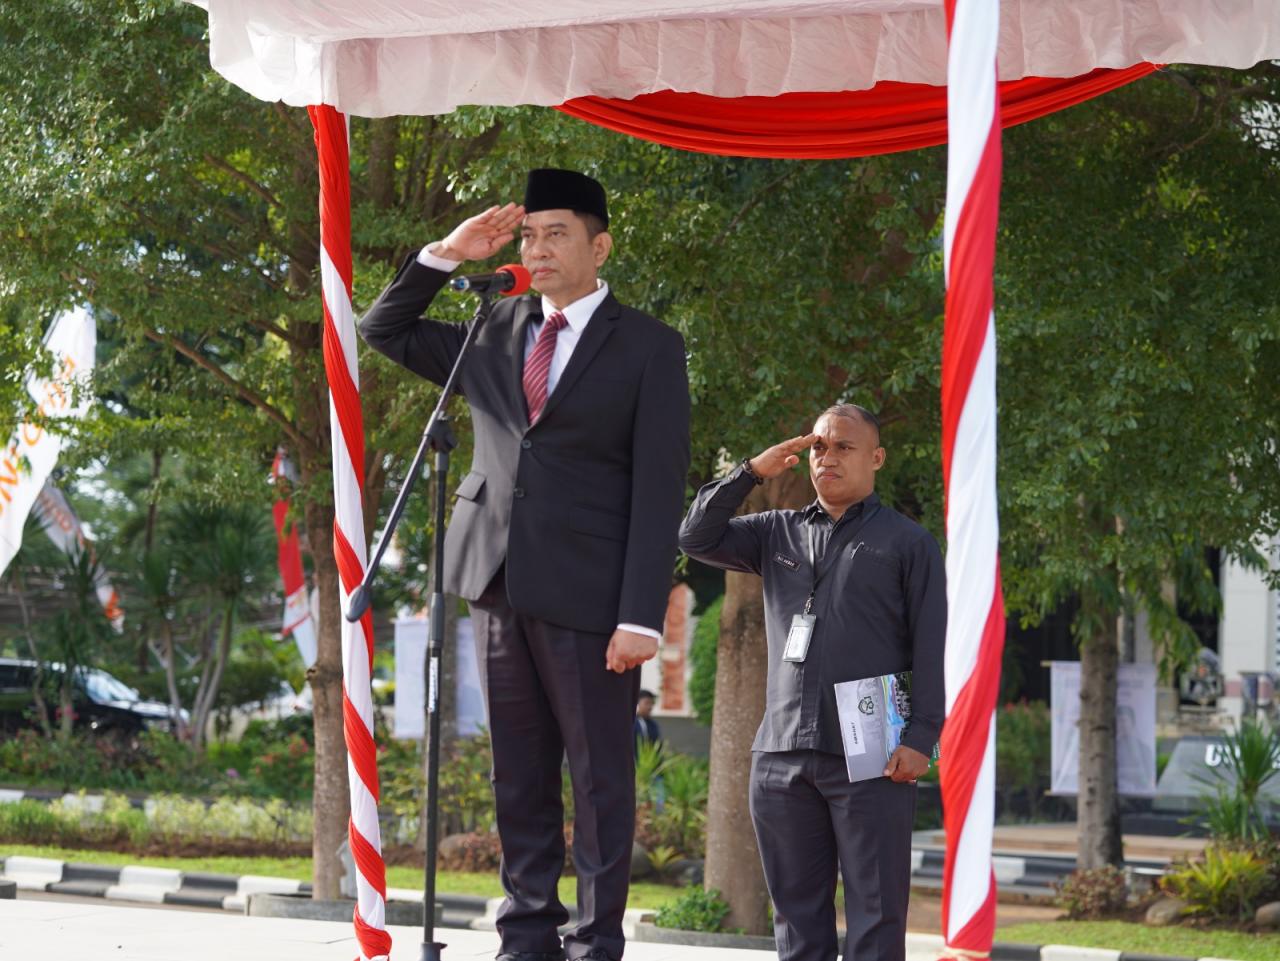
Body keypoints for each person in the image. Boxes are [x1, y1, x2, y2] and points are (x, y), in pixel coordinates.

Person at [360, 169, 691, 961]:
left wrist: (641, 615)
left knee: (598, 779)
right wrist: (447, 252)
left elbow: (658, 489)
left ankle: (594, 942)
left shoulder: (648, 346)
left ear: (599, 247)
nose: (538, 250)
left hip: (593, 596)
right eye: (529, 235)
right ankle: (527, 935)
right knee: (518, 773)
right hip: (496, 579)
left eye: (557, 235)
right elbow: (384, 328)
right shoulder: (492, 325)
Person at [678, 404, 944, 961]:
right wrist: (752, 471)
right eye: (820, 447)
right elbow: (696, 536)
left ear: (877, 458)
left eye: (844, 447)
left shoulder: (908, 542)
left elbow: (930, 644)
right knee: (797, 921)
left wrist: (921, 736)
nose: (827, 457)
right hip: (781, 752)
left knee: (876, 914)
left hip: (873, 753)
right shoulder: (775, 531)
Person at [633, 688, 662, 754]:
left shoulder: (653, 725)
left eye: (652, 703)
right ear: (637, 704)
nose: (650, 707)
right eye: (647, 703)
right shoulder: (632, 723)